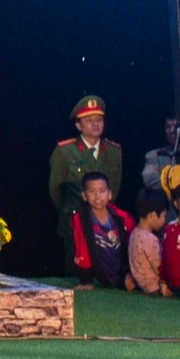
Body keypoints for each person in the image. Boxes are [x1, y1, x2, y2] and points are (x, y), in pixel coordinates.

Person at [49, 95, 121, 271]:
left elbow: (115, 187)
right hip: (74, 221)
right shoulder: (65, 151)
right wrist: (71, 211)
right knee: (76, 273)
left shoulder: (114, 151)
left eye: (99, 120)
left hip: (103, 222)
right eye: (89, 120)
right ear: (78, 125)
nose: (95, 124)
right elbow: (56, 190)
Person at [69, 171, 133, 290]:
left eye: (102, 191)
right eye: (92, 191)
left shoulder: (122, 217)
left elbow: (132, 247)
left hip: (125, 277)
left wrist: (130, 273)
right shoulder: (80, 219)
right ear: (84, 195)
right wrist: (87, 280)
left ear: (109, 194)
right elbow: (81, 249)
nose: (98, 196)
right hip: (100, 279)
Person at [127, 187, 169, 296]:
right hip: (155, 287)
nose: (165, 220)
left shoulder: (134, 233)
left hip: (142, 285)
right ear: (153, 216)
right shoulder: (150, 240)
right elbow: (158, 267)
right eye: (164, 216)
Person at [141, 117, 180, 190]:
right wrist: (174, 181)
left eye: (176, 127)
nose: (172, 131)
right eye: (168, 127)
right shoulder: (156, 155)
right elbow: (148, 178)